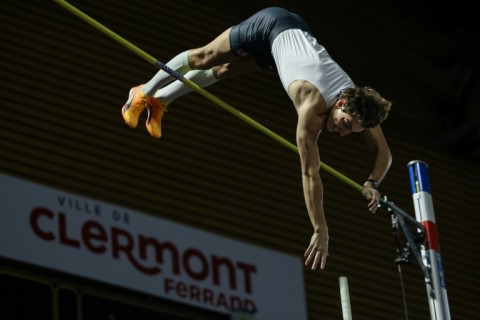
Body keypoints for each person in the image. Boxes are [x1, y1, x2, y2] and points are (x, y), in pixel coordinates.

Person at [121, 7, 392, 271]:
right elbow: (310, 174)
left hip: (289, 41)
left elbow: (385, 152)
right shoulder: (310, 108)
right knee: (205, 58)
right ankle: (143, 92)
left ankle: (160, 101)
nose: (343, 132)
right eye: (344, 124)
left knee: (226, 70)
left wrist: (372, 182)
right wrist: (320, 228)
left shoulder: (359, 107)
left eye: (350, 132)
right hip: (271, 25)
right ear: (342, 102)